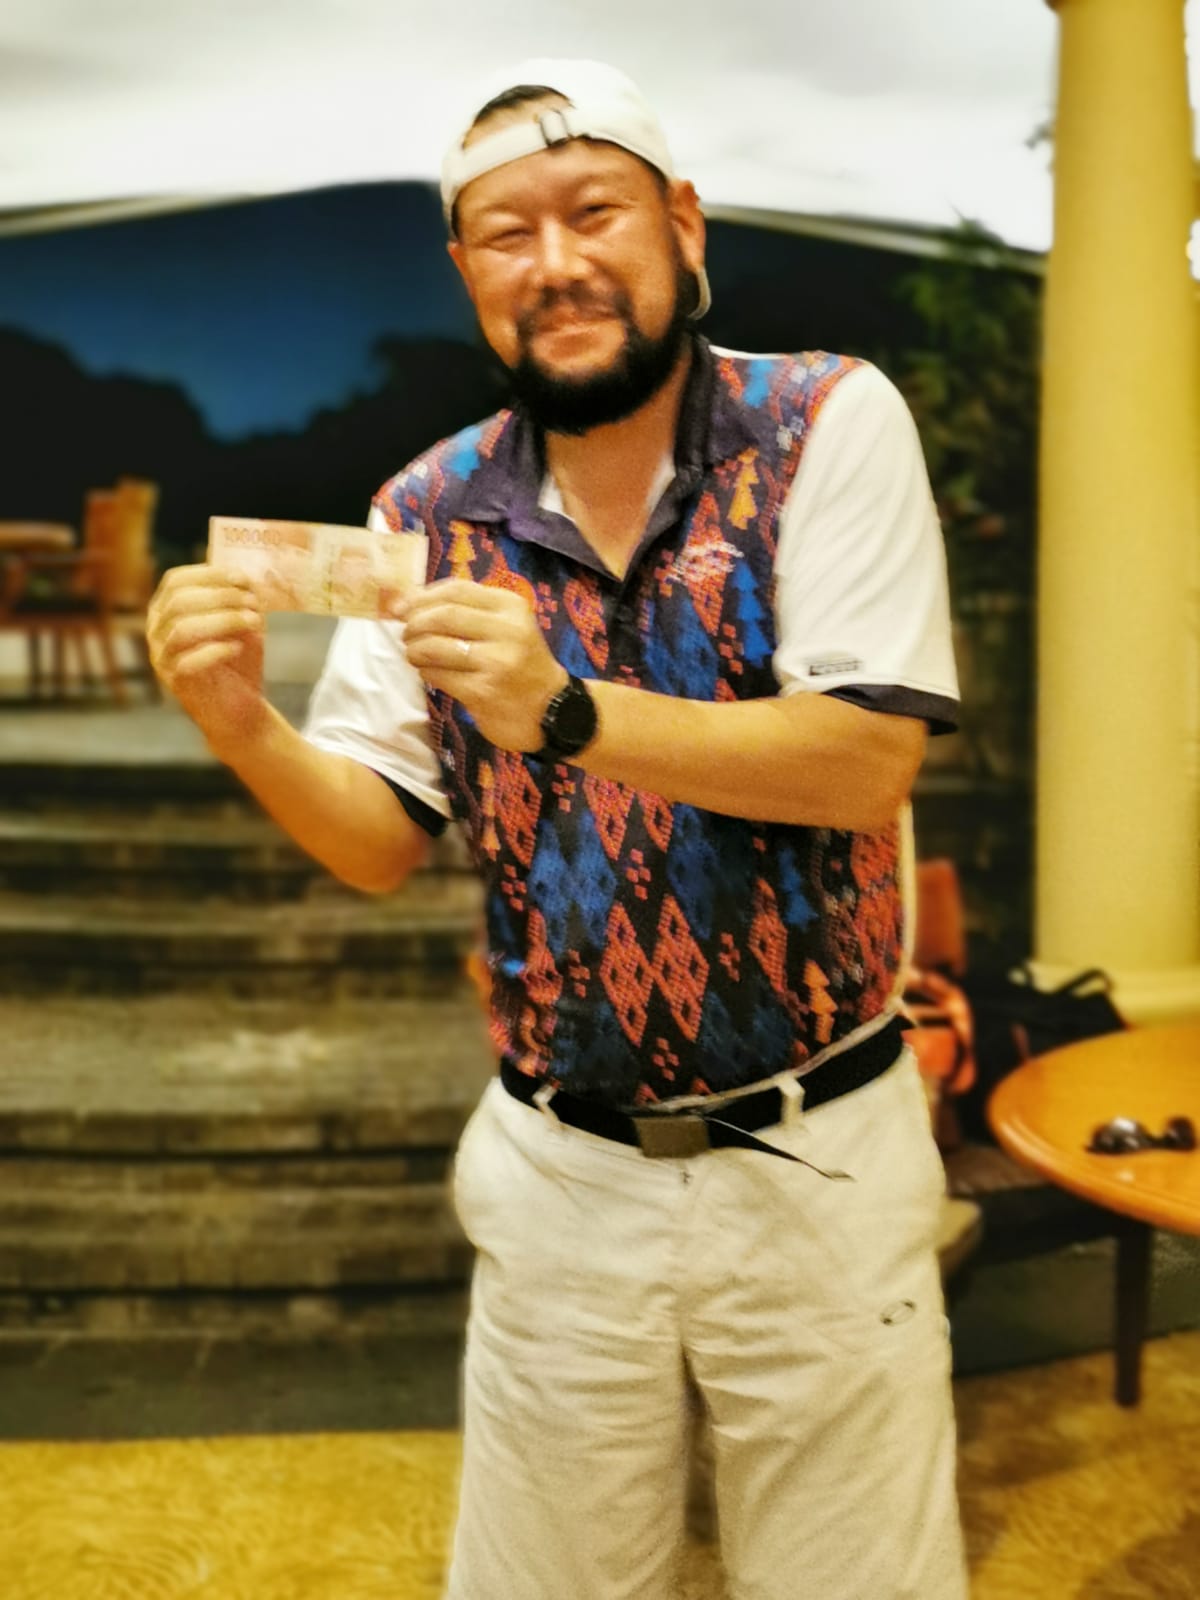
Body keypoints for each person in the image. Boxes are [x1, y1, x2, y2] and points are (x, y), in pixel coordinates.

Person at [147, 58, 968, 1600]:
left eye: (596, 213)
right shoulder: (423, 511)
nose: (557, 263)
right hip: (562, 1170)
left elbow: (866, 763)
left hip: (820, 1159)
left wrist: (566, 711)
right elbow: (378, 839)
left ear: (684, 227)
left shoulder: (822, 424)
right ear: (468, 275)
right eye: (508, 235)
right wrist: (243, 723)